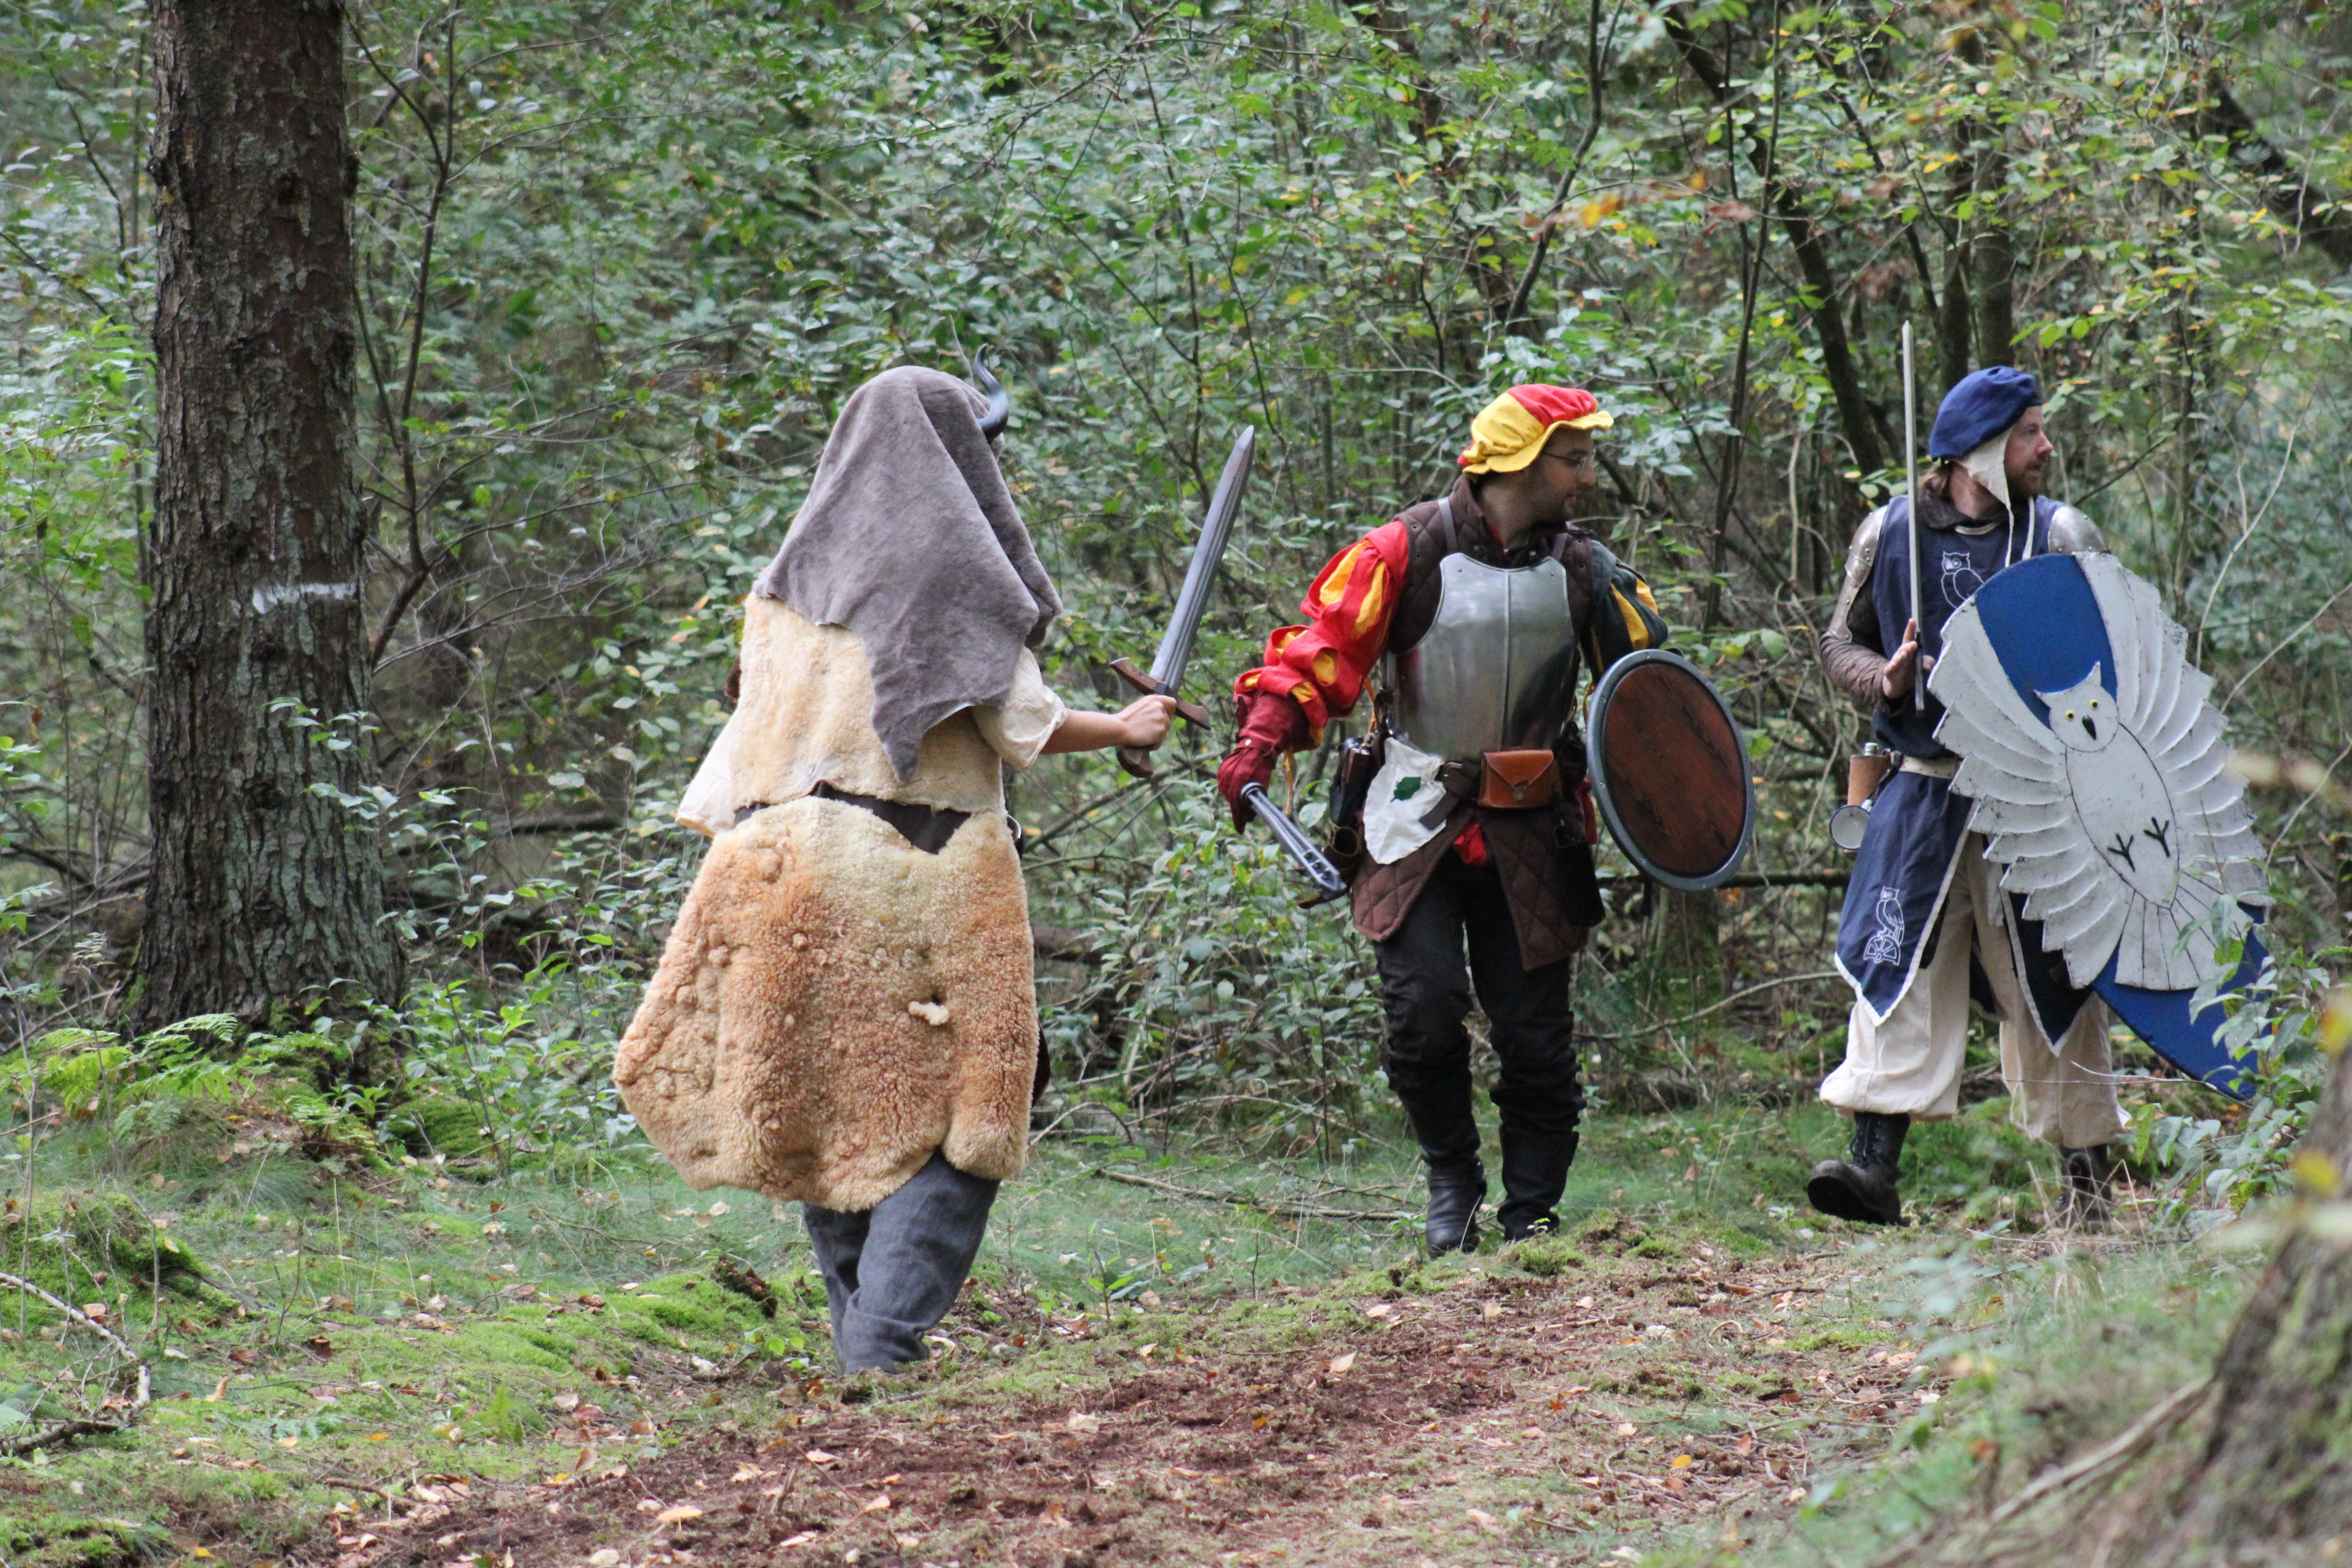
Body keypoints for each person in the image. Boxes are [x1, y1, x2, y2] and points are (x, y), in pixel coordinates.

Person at [614, 363, 1176, 1373]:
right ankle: (883, 1343)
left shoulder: (784, 586)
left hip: (768, 869)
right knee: (973, 1109)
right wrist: (1125, 727)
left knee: (836, 1104)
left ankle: (861, 1351)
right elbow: (1019, 722)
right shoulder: (946, 581)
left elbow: (739, 752)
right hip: (913, 868)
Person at [1218, 384, 1665, 1253]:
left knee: (1535, 1039)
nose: (1587, 478)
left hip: (1535, 824)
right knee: (1421, 1013)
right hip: (1414, 817)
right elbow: (1319, 655)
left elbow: (1649, 700)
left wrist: (1673, 808)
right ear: (1519, 463)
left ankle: (1532, 1214)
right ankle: (1452, 1182)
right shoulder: (1403, 552)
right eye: (1574, 460)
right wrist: (1259, 743)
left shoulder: (1586, 570)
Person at [1809, 365, 2127, 1228]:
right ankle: (1873, 1168)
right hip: (1920, 790)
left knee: (2054, 982)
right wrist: (1882, 676)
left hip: (2035, 801)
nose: (2044, 447)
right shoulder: (1888, 533)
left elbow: (2124, 658)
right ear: (1977, 451)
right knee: (1897, 964)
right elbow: (1838, 642)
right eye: (2028, 433)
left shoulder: (2060, 535)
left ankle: (2087, 1181)